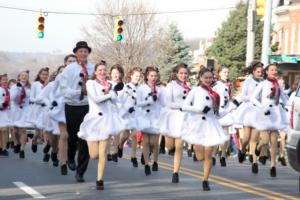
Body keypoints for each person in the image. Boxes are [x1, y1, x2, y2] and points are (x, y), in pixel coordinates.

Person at [78, 61, 125, 190]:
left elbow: (116, 100)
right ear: (95, 72)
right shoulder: (90, 83)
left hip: (106, 120)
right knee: (94, 155)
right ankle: (95, 156)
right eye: (100, 70)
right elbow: (96, 99)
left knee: (103, 153)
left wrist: (112, 93)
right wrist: (109, 94)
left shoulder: (110, 84)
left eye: (104, 70)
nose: (102, 72)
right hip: (93, 121)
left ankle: (100, 180)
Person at [182, 68, 229, 191]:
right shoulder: (195, 91)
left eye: (210, 77)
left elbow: (217, 114)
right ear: (200, 78)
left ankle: (205, 180)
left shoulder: (214, 94)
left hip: (211, 126)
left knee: (208, 154)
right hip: (198, 125)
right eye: (206, 77)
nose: (208, 80)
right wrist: (199, 109)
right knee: (200, 156)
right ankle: (198, 156)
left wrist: (231, 108)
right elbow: (184, 106)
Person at [59, 41, 94, 182]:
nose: (83, 53)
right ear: (76, 53)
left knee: (84, 139)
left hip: (87, 106)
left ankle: (81, 172)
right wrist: (78, 91)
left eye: (85, 51)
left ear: (88, 53)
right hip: (72, 106)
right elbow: (64, 90)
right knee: (72, 137)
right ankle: (70, 156)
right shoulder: (69, 69)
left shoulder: (93, 68)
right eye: (80, 51)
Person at [251, 63, 289, 177]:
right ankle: (258, 147)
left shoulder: (278, 85)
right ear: (266, 71)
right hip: (265, 113)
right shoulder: (263, 84)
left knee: (274, 141)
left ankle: (273, 165)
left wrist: (294, 104)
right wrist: (262, 107)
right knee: (265, 140)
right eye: (271, 70)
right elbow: (253, 98)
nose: (274, 71)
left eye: (275, 70)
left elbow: (285, 100)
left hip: (276, 113)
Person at [157, 63, 190, 183]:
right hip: (171, 118)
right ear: (176, 74)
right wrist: (183, 105)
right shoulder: (171, 85)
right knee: (170, 146)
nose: (183, 75)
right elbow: (168, 103)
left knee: (179, 146)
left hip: (183, 119)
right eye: (181, 73)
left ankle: (176, 172)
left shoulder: (189, 87)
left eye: (185, 73)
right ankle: (169, 148)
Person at [234, 61, 264, 173]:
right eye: (258, 72)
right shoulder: (248, 81)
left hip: (258, 111)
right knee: (246, 139)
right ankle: (242, 150)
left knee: (254, 139)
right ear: (253, 71)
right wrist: (252, 98)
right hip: (249, 111)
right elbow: (243, 96)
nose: (260, 73)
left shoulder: (263, 82)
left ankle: (254, 162)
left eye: (261, 72)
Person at [136, 66, 164, 176]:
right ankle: (147, 164)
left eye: (155, 76)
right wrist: (148, 101)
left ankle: (155, 161)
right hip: (145, 117)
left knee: (154, 143)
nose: (153, 78)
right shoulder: (141, 89)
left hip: (156, 118)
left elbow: (163, 104)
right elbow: (138, 103)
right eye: (151, 76)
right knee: (146, 142)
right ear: (147, 76)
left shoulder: (160, 90)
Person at [117, 67, 145, 167]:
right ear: (131, 76)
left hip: (136, 114)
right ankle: (120, 146)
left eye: (139, 76)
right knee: (124, 135)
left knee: (134, 135)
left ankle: (133, 157)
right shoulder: (126, 87)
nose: (137, 78)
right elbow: (120, 100)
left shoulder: (141, 88)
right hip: (126, 113)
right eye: (136, 76)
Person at [213, 66, 237, 167]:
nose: (226, 74)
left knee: (226, 136)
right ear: (219, 73)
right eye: (224, 72)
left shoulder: (229, 84)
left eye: (227, 72)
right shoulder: (216, 84)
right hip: (218, 111)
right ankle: (213, 155)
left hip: (226, 111)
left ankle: (223, 155)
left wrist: (233, 103)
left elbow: (229, 97)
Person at [48, 65, 69, 175]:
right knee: (63, 135)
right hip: (61, 108)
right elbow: (52, 92)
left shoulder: (79, 75)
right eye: (69, 61)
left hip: (75, 107)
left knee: (71, 136)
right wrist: (53, 101)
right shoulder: (59, 78)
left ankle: (64, 155)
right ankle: (63, 162)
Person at [29, 68, 50, 161]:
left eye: (46, 74)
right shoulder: (35, 84)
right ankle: (34, 141)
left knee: (46, 131)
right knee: (38, 132)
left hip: (46, 109)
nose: (44, 76)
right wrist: (40, 100)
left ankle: (46, 153)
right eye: (43, 74)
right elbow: (32, 98)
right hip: (37, 109)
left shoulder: (50, 85)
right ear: (39, 75)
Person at [10, 70, 32, 158]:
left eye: (26, 76)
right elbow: (12, 98)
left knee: (23, 130)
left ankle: (22, 149)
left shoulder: (30, 87)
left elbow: (32, 98)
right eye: (22, 75)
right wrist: (18, 89)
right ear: (19, 77)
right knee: (15, 130)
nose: (24, 77)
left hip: (25, 110)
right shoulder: (14, 86)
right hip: (16, 110)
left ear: (28, 78)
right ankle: (17, 143)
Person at [107, 64, 125, 162]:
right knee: (109, 131)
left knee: (117, 132)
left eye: (117, 73)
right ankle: (109, 151)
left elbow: (124, 100)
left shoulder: (124, 86)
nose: (115, 75)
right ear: (110, 74)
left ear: (121, 74)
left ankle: (115, 150)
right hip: (108, 110)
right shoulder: (107, 83)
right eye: (113, 73)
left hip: (119, 110)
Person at [0, 74, 11, 156]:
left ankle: (4, 149)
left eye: (6, 80)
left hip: (6, 113)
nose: (5, 81)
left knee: (4, 130)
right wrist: (1, 104)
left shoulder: (9, 91)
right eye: (3, 80)